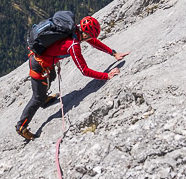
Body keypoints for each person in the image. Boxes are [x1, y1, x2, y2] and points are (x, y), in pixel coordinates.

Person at [16, 12, 125, 141]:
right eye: (89, 36)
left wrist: (113, 53)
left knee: (51, 76)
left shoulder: (74, 28)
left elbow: (93, 41)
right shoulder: (73, 45)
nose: (90, 39)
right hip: (38, 66)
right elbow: (84, 70)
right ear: (84, 33)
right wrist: (107, 75)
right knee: (37, 98)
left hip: (45, 63)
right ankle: (21, 126)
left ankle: (44, 98)